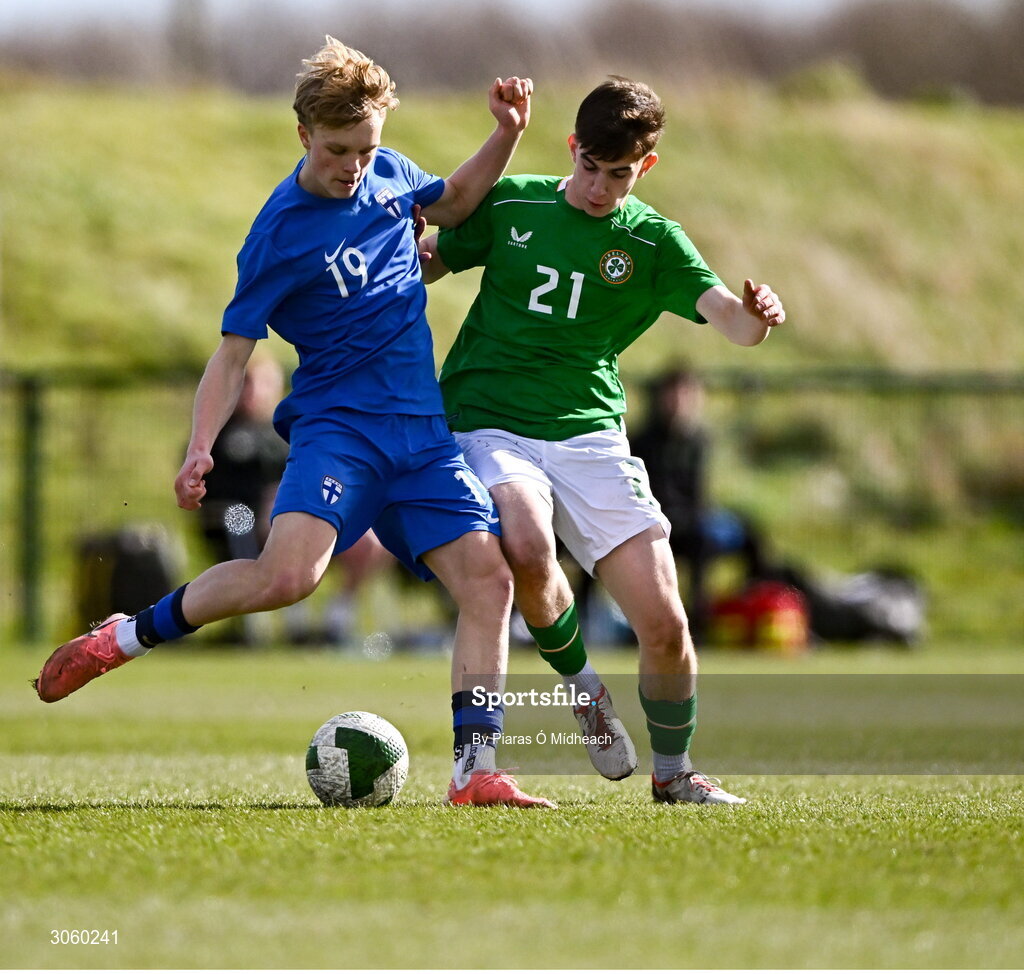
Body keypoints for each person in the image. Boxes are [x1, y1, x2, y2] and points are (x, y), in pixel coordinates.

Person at [35, 37, 552, 809]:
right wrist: (199, 447)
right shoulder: (279, 233)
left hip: (421, 436)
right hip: (339, 429)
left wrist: (507, 132)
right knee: (287, 578)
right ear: (303, 134)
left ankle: (474, 772)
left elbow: (454, 203)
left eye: (366, 147)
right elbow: (233, 354)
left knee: (488, 580)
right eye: (339, 149)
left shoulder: (389, 174)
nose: (354, 164)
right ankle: (122, 637)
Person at [420, 76, 786, 805]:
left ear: (644, 167)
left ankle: (674, 774)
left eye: (617, 174)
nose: (597, 186)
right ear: (572, 149)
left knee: (667, 623)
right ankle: (584, 689)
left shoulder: (653, 241)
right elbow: (426, 261)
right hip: (488, 419)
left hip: (590, 436)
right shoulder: (515, 199)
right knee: (523, 541)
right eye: (589, 166)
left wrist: (760, 314)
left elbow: (733, 324)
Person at [199, 355, 396, 647]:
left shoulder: (289, 432)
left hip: (308, 516)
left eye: (263, 384)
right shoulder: (215, 434)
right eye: (247, 384)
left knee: (372, 539)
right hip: (241, 521)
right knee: (280, 504)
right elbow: (211, 495)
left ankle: (337, 619)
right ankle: (296, 621)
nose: (254, 392)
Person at [630, 366, 768, 641]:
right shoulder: (642, 441)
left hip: (693, 518)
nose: (680, 402)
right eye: (674, 394)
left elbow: (699, 495)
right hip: (659, 522)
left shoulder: (698, 441)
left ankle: (755, 610)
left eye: (687, 394)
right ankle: (695, 624)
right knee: (699, 541)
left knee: (750, 531)